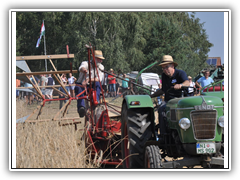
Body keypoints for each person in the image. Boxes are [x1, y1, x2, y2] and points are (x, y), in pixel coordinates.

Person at [150, 55, 190, 135]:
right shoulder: (164, 76)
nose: (165, 70)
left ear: (172, 66)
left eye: (166, 67)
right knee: (161, 110)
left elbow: (187, 83)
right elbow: (163, 90)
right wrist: (151, 95)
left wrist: (181, 85)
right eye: (163, 68)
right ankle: (163, 135)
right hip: (169, 101)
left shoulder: (180, 73)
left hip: (182, 100)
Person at [75, 50, 105, 117]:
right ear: (94, 58)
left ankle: (95, 101)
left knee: (97, 84)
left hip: (91, 85)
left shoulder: (101, 67)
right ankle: (81, 108)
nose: (101, 61)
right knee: (79, 90)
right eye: (99, 59)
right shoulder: (85, 63)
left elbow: (98, 79)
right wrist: (84, 70)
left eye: (101, 59)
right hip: (81, 85)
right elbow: (81, 68)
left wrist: (88, 80)